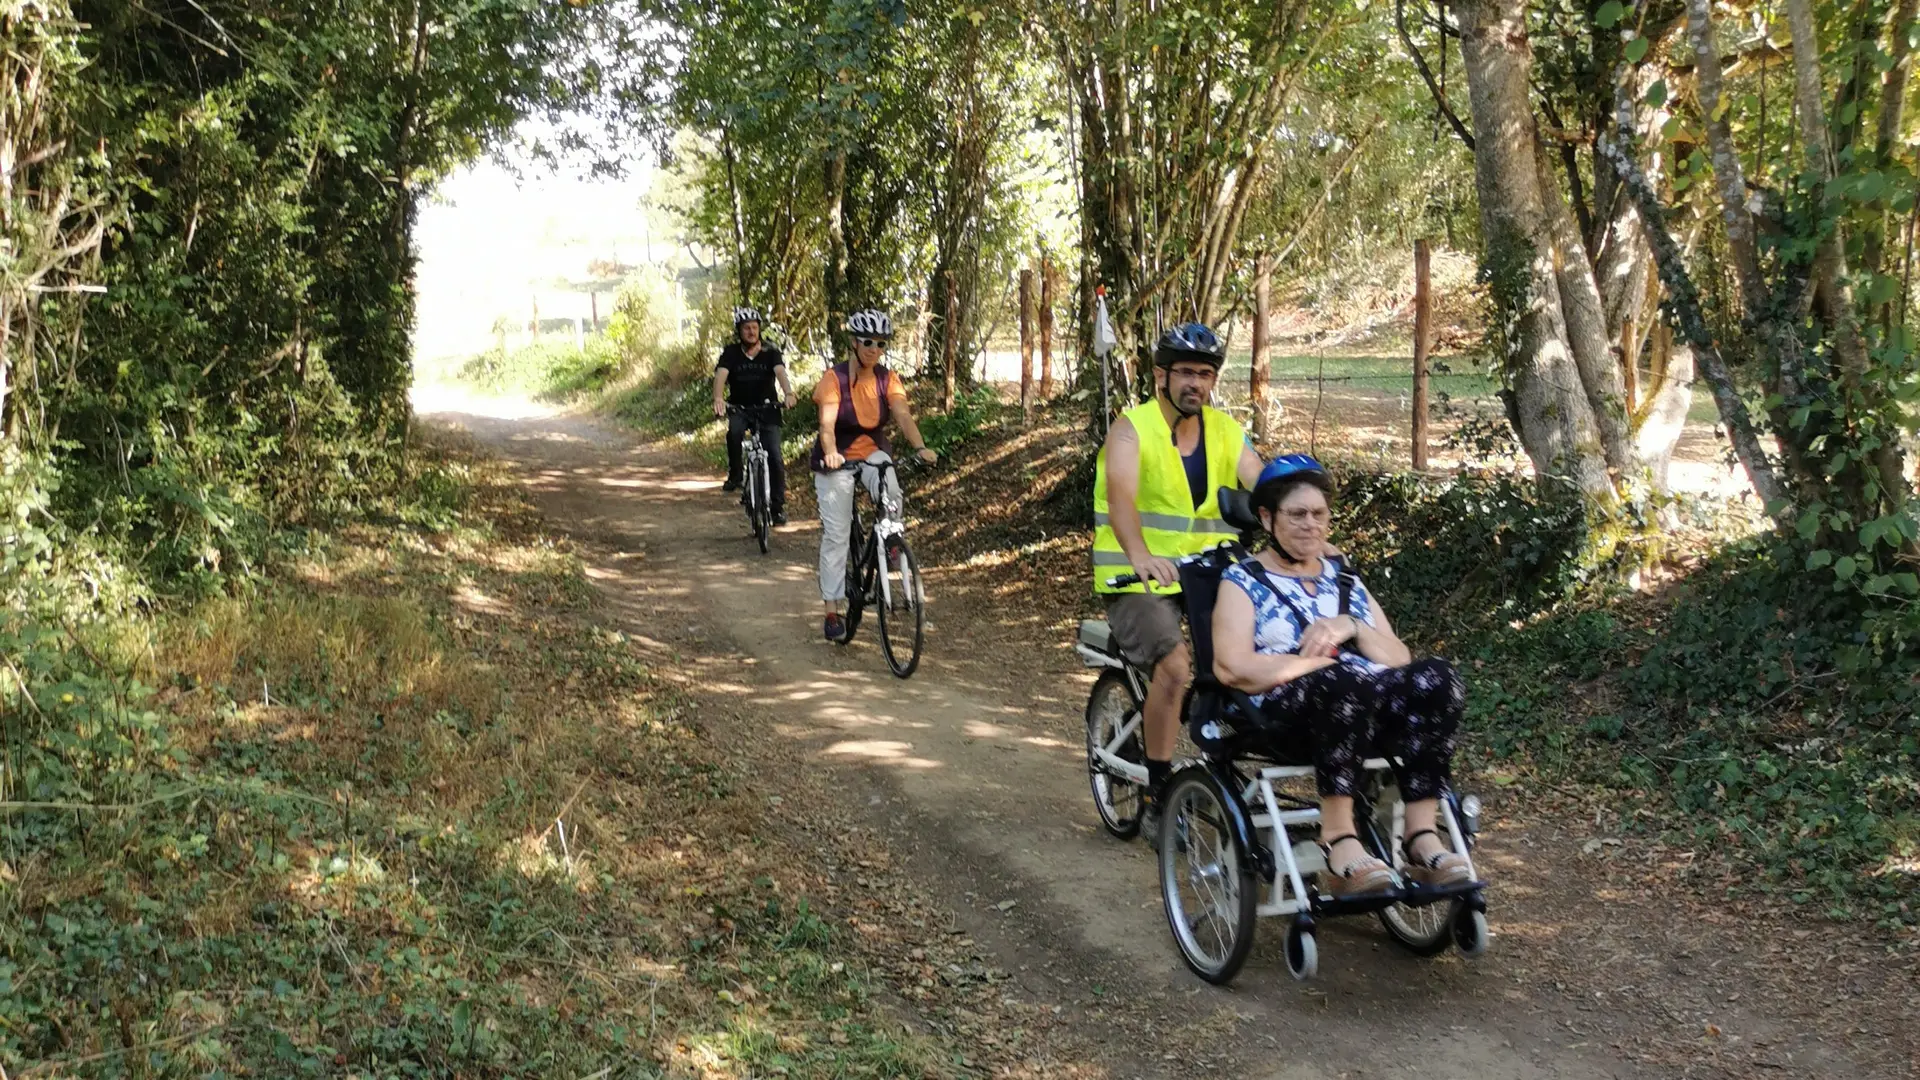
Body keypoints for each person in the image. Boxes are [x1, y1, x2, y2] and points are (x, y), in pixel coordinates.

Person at [1209, 455, 1474, 897]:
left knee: (1438, 678)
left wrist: (1352, 626)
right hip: (1285, 711)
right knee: (1343, 683)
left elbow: (1397, 655)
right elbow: (1231, 667)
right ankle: (1337, 839)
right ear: (1266, 518)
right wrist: (1321, 664)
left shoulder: (1344, 578)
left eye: (1319, 514)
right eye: (1297, 514)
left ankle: (1421, 834)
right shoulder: (1242, 580)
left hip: (1363, 703)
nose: (1310, 525)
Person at [1092, 322, 1263, 841]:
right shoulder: (1131, 428)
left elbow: (1263, 485)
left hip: (1209, 576)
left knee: (1251, 661)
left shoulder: (1226, 432)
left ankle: (1226, 764)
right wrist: (1140, 555)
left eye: (1205, 374)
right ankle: (1158, 793)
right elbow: (1121, 499)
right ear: (1161, 375)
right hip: (1137, 577)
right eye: (1186, 372)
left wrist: (1298, 516)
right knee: (1174, 667)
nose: (1196, 383)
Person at [811, 309, 938, 641]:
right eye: (867, 342)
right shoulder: (833, 379)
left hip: (871, 453)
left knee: (890, 483)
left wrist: (921, 447)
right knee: (837, 536)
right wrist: (830, 452)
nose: (874, 349)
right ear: (854, 342)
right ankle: (832, 611)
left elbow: (902, 415)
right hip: (836, 459)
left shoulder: (887, 378)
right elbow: (826, 426)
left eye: (880, 344)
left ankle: (891, 543)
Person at [713, 306, 795, 524]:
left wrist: (788, 393)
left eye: (754, 327)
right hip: (740, 407)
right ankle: (736, 474)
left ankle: (777, 508)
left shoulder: (771, 351)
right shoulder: (731, 353)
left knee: (775, 457)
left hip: (767, 408)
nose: (751, 332)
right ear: (739, 331)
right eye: (746, 328)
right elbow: (721, 376)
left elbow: (780, 373)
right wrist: (719, 398)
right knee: (734, 433)